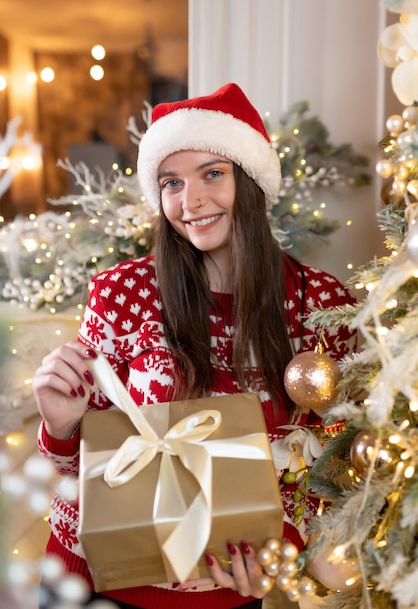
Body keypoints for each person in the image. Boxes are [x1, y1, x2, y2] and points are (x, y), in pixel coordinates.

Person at [33, 83, 356, 609]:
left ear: (249, 180)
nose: (191, 200)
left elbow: (338, 462)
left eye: (212, 173)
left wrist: (285, 550)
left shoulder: (320, 303)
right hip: (104, 584)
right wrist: (61, 426)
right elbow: (75, 472)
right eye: (172, 182)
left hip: (235, 593)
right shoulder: (123, 293)